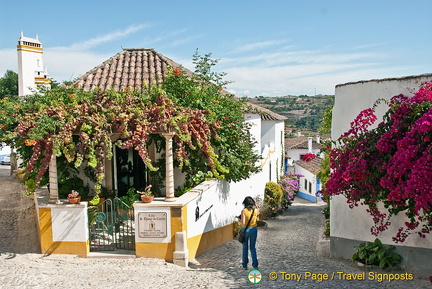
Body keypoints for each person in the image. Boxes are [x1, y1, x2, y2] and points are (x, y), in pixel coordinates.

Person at [240, 196, 260, 270]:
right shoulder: (255, 211)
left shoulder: (244, 211)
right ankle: (255, 265)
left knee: (245, 248)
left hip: (246, 230)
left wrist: (239, 221)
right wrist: (256, 203)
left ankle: (245, 265)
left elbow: (243, 223)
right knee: (253, 248)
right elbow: (258, 211)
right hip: (254, 229)